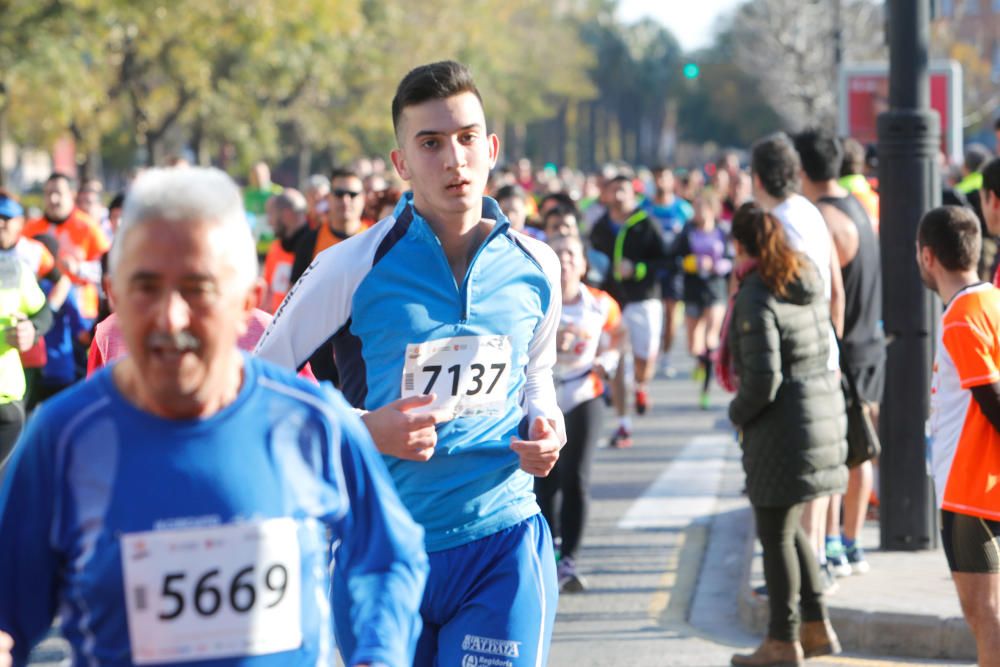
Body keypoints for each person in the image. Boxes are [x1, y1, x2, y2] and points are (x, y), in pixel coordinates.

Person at [0, 167, 427, 667]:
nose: (171, 317)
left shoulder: (310, 422)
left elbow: (388, 556)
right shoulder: (63, 439)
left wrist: (377, 653)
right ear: (114, 294)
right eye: (147, 287)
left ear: (246, 303)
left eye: (197, 289)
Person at [256, 61, 564, 667]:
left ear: (492, 148)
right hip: (381, 550)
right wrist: (364, 429)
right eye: (430, 143)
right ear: (401, 163)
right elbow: (254, 391)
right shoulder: (350, 267)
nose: (454, 159)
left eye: (467, 138)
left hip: (500, 541)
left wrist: (546, 425)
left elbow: (537, 375)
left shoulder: (538, 265)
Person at [727, 202, 846, 667]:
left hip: (782, 430)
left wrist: (737, 414)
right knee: (790, 526)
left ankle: (783, 638)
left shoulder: (756, 295)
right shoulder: (802, 279)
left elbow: (762, 381)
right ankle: (815, 626)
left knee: (774, 533)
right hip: (818, 418)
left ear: (741, 246)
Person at [751, 132, 845, 590]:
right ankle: (818, 567)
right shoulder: (810, 211)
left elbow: (773, 305)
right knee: (818, 475)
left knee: (791, 482)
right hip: (824, 350)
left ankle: (801, 583)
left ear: (755, 177)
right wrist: (833, 343)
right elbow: (836, 288)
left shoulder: (775, 225)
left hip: (794, 364)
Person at [795, 128, 885, 577]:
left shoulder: (822, 218)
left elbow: (832, 297)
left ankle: (832, 545)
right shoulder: (859, 207)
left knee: (835, 455)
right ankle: (850, 545)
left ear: (801, 169)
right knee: (861, 452)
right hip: (869, 345)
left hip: (844, 352)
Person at [918, 205, 1000, 666]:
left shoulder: (962, 317)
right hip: (981, 484)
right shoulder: (992, 300)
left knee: (985, 616)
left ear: (928, 256)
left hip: (971, 490)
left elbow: (991, 399)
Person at [538, 233, 623, 592]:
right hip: (544, 392)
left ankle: (570, 559)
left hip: (584, 390)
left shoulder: (601, 303)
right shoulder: (537, 297)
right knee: (546, 479)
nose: (567, 260)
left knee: (577, 476)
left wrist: (608, 359)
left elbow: (618, 335)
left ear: (584, 264)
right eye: (559, 253)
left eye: (573, 254)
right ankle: (549, 551)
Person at [590, 175, 670, 443]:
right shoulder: (600, 228)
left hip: (644, 299)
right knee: (619, 361)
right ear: (606, 195)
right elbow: (592, 259)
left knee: (644, 358)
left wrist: (637, 269)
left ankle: (641, 385)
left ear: (632, 193)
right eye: (613, 190)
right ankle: (624, 423)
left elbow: (665, 261)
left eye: (623, 190)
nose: (618, 195)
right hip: (612, 303)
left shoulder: (646, 224)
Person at [670, 189, 731, 409]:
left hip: (715, 289)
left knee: (711, 338)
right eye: (695, 208)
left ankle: (706, 387)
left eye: (701, 208)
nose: (697, 213)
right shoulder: (687, 231)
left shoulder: (723, 231)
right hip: (693, 289)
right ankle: (701, 362)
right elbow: (672, 256)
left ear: (712, 209)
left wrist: (715, 266)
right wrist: (689, 263)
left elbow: (731, 259)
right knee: (694, 345)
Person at [24, 173, 110, 322]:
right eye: (48, 193)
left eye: (58, 193)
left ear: (72, 194)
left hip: (81, 315)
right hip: (39, 310)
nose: (53, 199)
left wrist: (79, 268)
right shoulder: (30, 228)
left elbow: (108, 268)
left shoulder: (88, 226)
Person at [644, 166, 694, 379]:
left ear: (672, 180)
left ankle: (666, 355)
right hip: (652, 265)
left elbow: (693, 234)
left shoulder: (683, 209)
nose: (660, 182)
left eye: (664, 177)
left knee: (672, 313)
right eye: (656, 178)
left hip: (675, 267)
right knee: (654, 314)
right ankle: (651, 354)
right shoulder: (645, 207)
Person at [262, 189, 309, 313]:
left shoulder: (315, 247)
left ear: (287, 214)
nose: (269, 222)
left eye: (272, 215)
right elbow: (268, 291)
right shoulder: (275, 247)